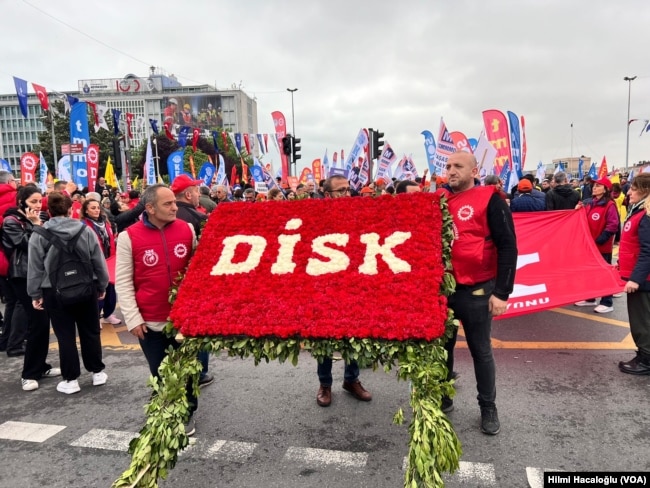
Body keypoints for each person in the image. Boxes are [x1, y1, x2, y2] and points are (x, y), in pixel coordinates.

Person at [436, 151, 518, 435]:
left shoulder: (491, 199)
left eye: (458, 166)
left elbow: (508, 246)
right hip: (444, 290)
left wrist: (502, 292)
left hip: (478, 289)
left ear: (474, 171)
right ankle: (444, 396)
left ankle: (488, 407)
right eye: (448, 166)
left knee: (481, 351)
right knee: (442, 350)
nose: (451, 170)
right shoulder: (440, 200)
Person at [115, 184, 199, 435]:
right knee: (160, 370)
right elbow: (124, 281)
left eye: (175, 202)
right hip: (150, 320)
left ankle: (187, 412)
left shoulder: (187, 229)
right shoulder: (128, 237)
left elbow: (198, 271)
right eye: (168, 204)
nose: (175, 207)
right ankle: (166, 409)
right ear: (150, 208)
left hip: (185, 319)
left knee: (187, 371)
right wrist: (132, 318)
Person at [28, 191, 109, 394]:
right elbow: (97, 260)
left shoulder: (39, 234)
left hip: (54, 291)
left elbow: (35, 267)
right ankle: (97, 371)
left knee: (65, 336)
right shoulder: (85, 230)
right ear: (71, 209)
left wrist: (35, 294)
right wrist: (102, 285)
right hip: (86, 287)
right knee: (90, 331)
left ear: (48, 211)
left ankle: (71, 379)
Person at [316, 175, 372, 407]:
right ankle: (325, 384)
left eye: (348, 190)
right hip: (325, 285)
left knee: (354, 333)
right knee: (324, 337)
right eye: (340, 190)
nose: (346, 194)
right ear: (327, 194)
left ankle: (351, 380)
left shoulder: (358, 214)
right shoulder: (317, 217)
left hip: (353, 284)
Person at [3, 186, 63, 390]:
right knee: (35, 322)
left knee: (43, 322)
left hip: (42, 274)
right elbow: (28, 244)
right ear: (21, 201)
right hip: (22, 276)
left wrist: (38, 224)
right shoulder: (11, 221)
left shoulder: (38, 218)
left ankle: (41, 365)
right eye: (33, 202)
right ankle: (28, 373)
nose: (38, 206)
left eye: (40, 201)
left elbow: (51, 242)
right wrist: (36, 225)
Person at [171, 175, 213, 388]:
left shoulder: (167, 217)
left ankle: (180, 369)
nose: (199, 194)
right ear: (188, 194)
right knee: (197, 327)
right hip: (194, 283)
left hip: (169, 282)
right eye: (196, 191)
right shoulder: (198, 218)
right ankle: (200, 372)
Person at [617, 174, 650, 374]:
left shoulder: (645, 215)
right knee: (642, 319)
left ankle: (646, 359)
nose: (628, 192)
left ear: (645, 191)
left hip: (643, 280)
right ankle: (644, 354)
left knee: (642, 321)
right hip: (639, 276)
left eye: (633, 188)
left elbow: (648, 250)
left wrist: (636, 279)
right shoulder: (638, 212)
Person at [574, 177, 619, 313]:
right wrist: (577, 210)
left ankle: (607, 302)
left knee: (604, 274)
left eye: (598, 186)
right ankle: (590, 298)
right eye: (594, 185)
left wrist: (599, 240)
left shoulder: (609, 205)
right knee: (589, 272)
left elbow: (613, 225)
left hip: (601, 246)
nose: (594, 187)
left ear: (605, 189)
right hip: (589, 246)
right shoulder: (590, 203)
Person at [80, 198, 120, 326]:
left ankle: (108, 314)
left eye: (98, 207)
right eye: (93, 208)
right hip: (94, 262)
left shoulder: (105, 222)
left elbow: (110, 239)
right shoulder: (83, 225)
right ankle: (95, 316)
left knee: (111, 289)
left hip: (109, 260)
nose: (97, 210)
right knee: (98, 290)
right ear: (86, 211)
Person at [0, 170, 18, 354]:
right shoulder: (12, 197)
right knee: (17, 302)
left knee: (12, 301)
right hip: (9, 259)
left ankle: (7, 340)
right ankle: (13, 341)